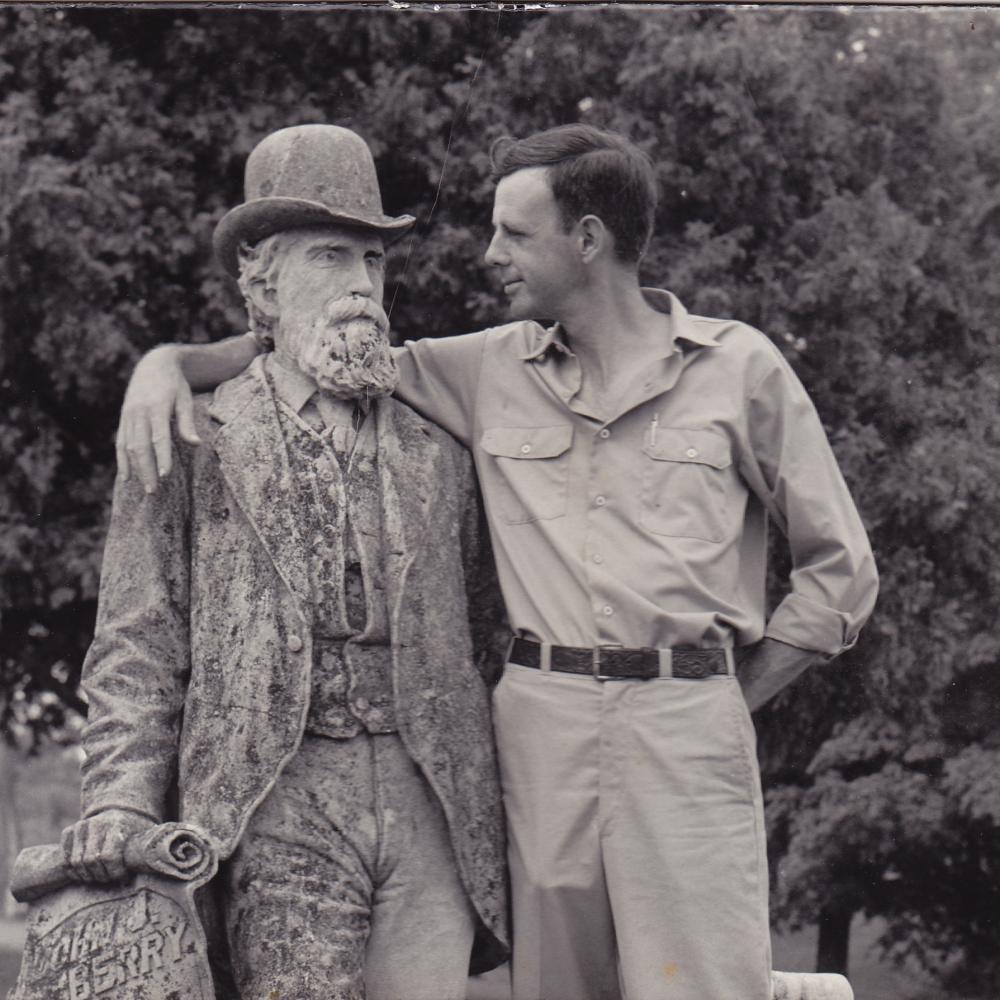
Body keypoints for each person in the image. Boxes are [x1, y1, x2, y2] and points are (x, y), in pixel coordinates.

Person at [117, 123, 878, 1000]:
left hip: (685, 723)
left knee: (702, 984)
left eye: (515, 233)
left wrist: (724, 697)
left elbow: (840, 574)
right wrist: (168, 365)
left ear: (587, 239)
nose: (490, 254)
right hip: (539, 733)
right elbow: (318, 344)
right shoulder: (487, 368)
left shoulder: (740, 368)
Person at [62, 124, 509, 1000]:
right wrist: (118, 800)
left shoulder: (443, 449)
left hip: (433, 802)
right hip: (273, 800)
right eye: (330, 256)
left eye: (374, 262)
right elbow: (136, 643)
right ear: (262, 285)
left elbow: (487, 629)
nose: (360, 285)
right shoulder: (192, 435)